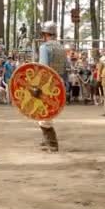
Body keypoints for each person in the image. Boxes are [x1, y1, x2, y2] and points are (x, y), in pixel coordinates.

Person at [37, 21, 66, 152]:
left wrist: (38, 86)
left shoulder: (45, 47)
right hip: (59, 83)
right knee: (48, 113)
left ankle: (52, 142)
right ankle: (45, 140)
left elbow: (43, 68)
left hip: (47, 84)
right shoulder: (61, 48)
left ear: (45, 33)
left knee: (44, 114)